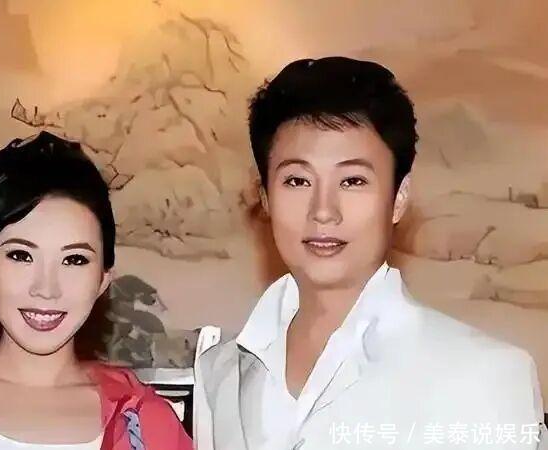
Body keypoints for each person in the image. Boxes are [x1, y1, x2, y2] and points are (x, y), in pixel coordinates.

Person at [193, 57, 546, 449]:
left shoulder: (487, 375)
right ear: (265, 197)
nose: (323, 210)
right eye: (297, 180)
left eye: (352, 181)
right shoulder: (220, 375)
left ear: (399, 198)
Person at [0, 132, 192, 450]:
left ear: (103, 278)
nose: (46, 289)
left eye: (74, 259)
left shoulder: (148, 426)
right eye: (21, 256)